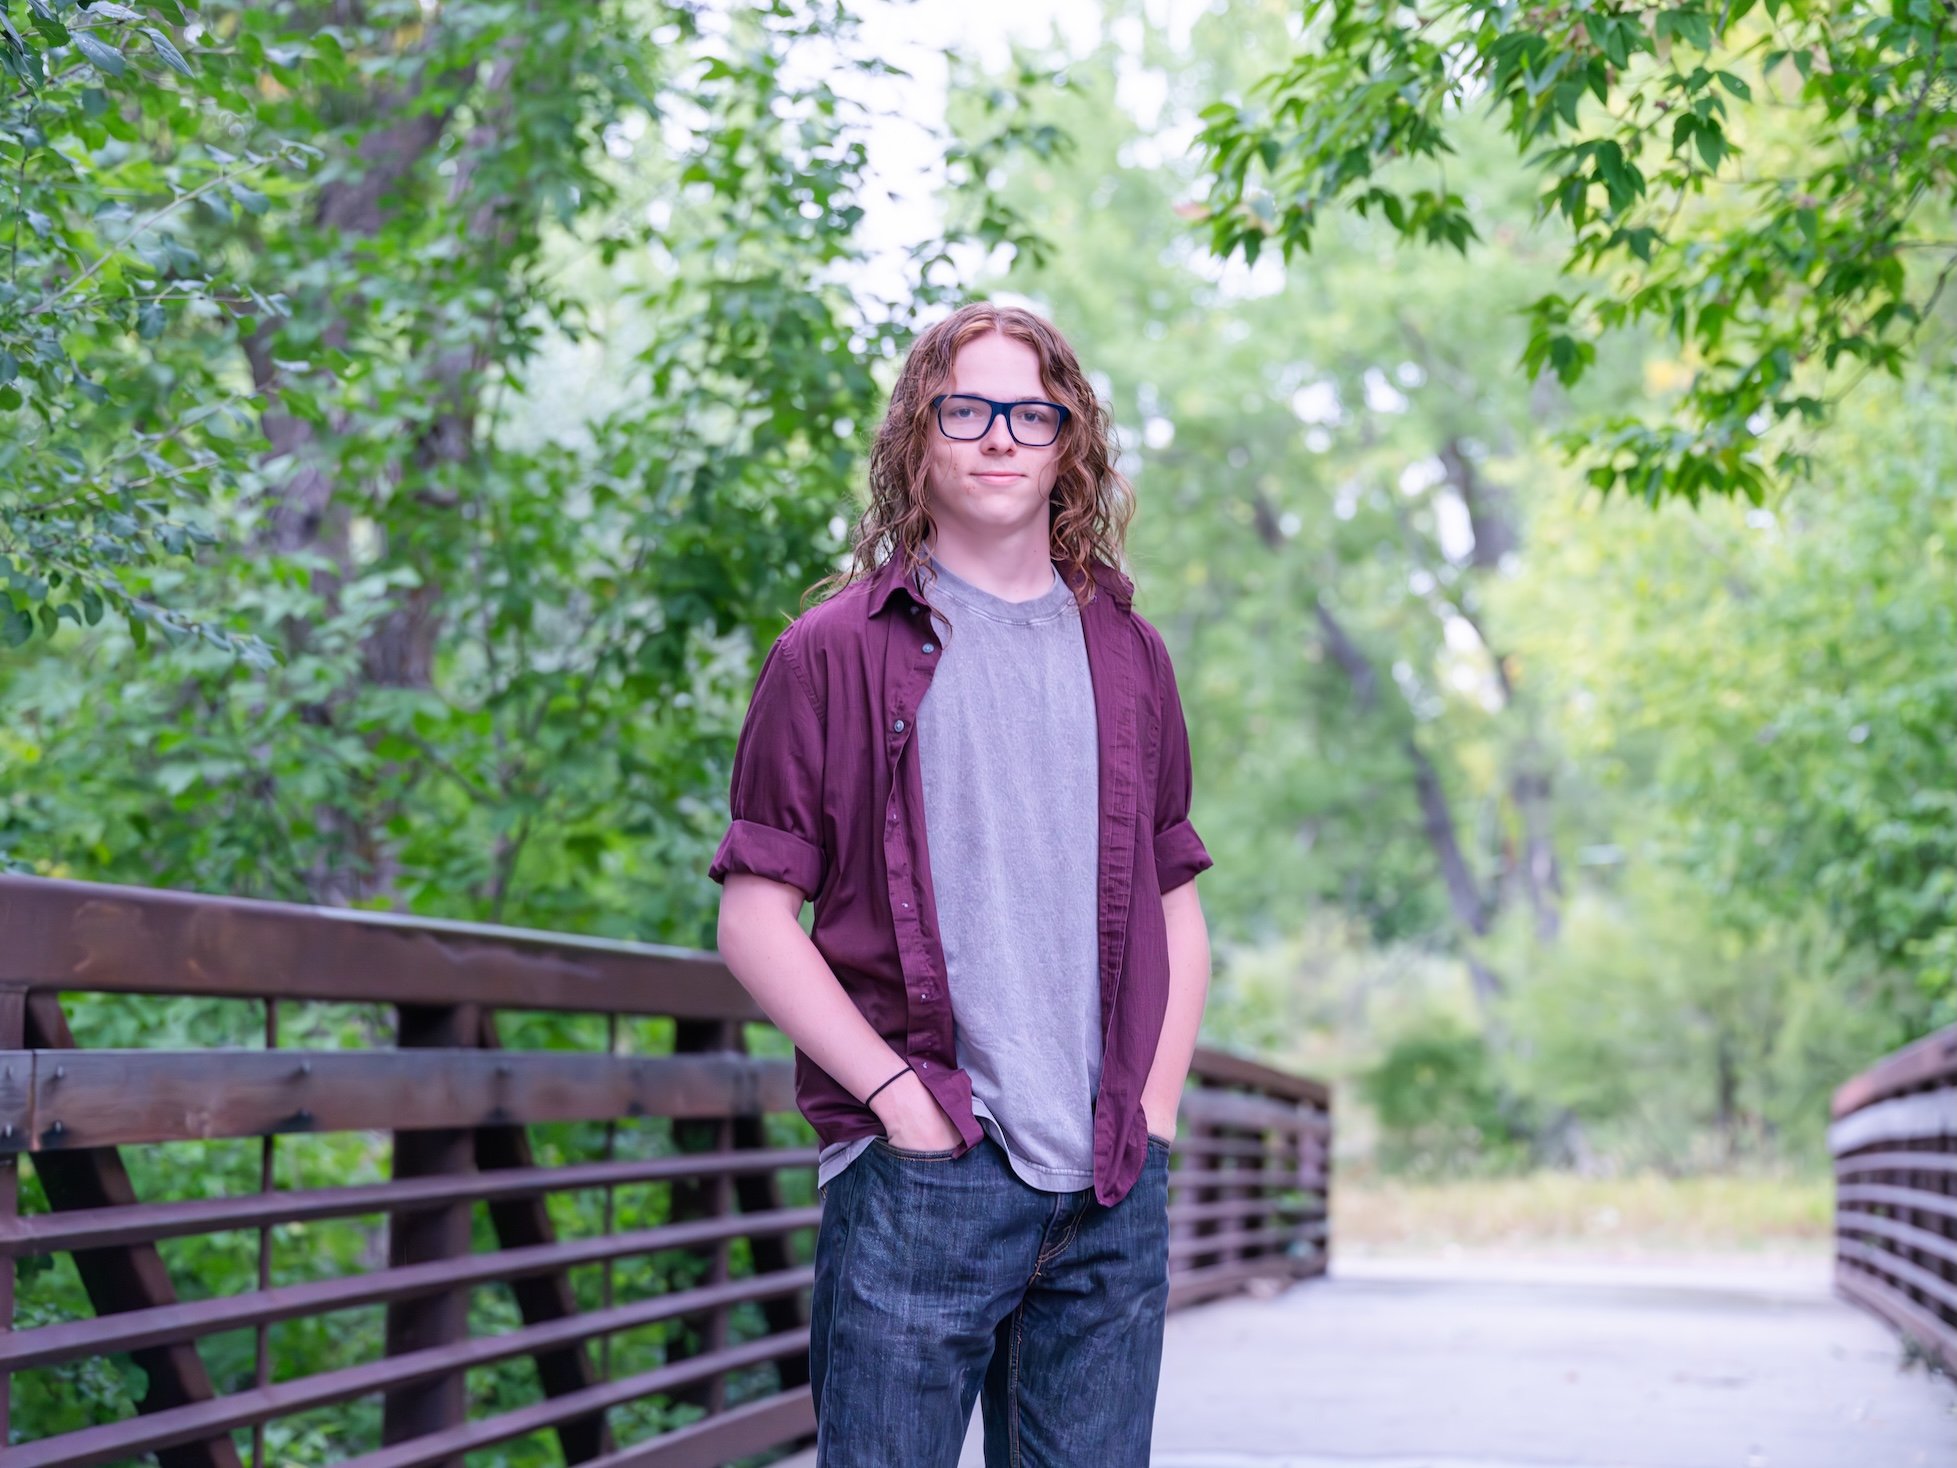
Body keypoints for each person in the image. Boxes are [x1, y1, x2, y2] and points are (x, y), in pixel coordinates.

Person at [709, 300, 1213, 1467]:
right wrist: (894, 1098)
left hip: (1104, 1179)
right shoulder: (834, 650)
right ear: (918, 436)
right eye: (968, 408)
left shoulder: (1129, 653)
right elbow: (752, 914)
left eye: (1031, 413)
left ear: (1066, 443)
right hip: (924, 1173)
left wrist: (1153, 1110)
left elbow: (1176, 901)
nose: (1000, 436)